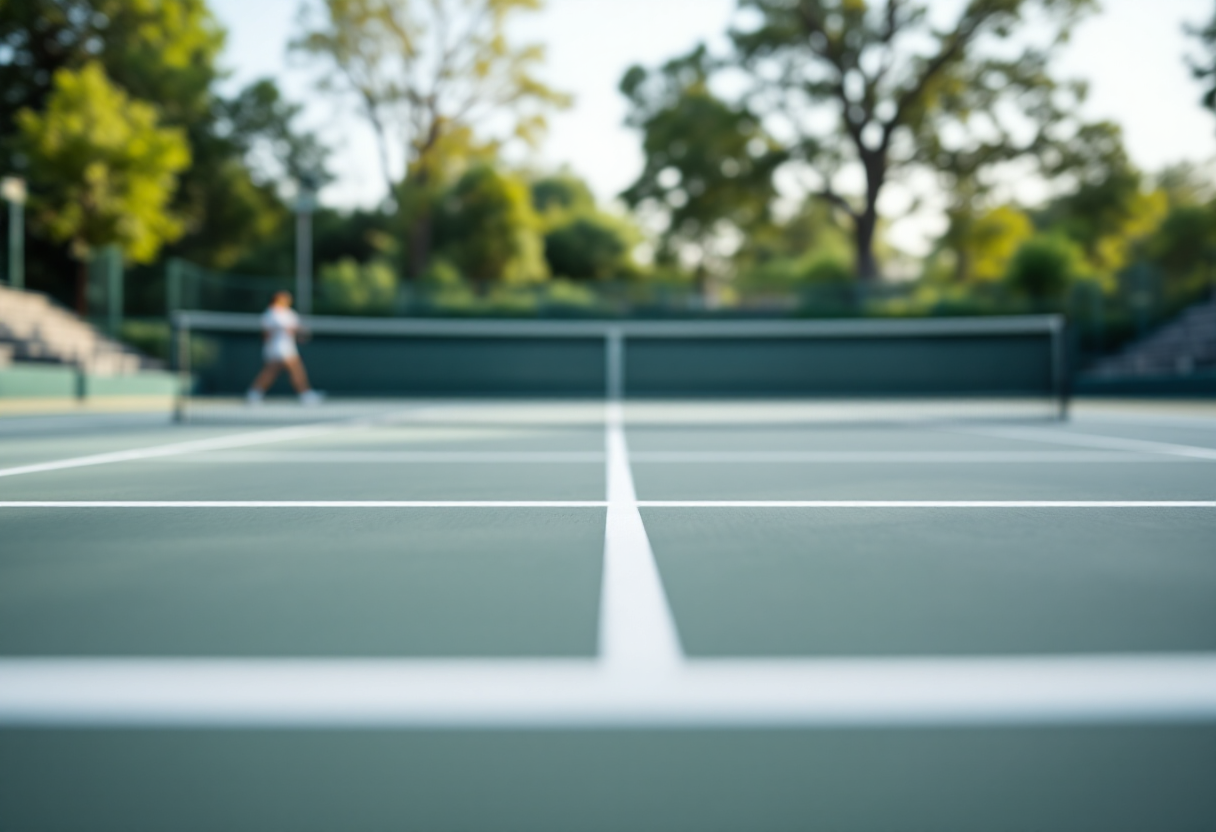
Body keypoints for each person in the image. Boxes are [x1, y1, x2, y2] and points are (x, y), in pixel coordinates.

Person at [246, 291, 324, 406]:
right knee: (295, 370)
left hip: (287, 346)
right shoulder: (271, 314)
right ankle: (306, 395)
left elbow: (296, 328)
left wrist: (299, 333)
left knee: (271, 373)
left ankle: (254, 394)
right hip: (277, 348)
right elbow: (267, 333)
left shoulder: (289, 313)